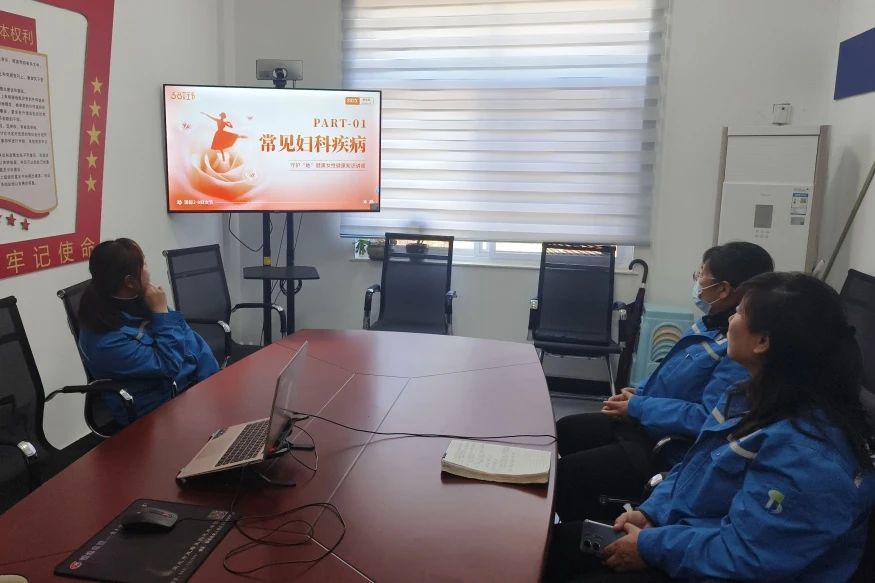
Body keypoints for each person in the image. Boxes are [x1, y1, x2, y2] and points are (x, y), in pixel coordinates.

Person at [548, 272, 875, 582]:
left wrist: (652, 547)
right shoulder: (748, 397)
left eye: (740, 312)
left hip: (723, 568)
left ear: (762, 341)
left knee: (560, 559)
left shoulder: (809, 457)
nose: (730, 319)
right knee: (561, 543)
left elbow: (749, 555)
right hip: (692, 541)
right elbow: (697, 464)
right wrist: (653, 513)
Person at [555, 242, 774, 522]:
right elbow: (670, 375)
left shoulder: (737, 352)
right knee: (568, 429)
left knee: (569, 473)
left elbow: (706, 418)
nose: (697, 279)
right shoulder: (707, 327)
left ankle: (587, 531)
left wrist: (639, 406)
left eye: (702, 273)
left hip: (666, 447)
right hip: (648, 423)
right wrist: (638, 393)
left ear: (723, 289)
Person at [77, 238, 219, 424]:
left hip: (190, 388)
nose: (148, 270)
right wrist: (161, 314)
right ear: (129, 282)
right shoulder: (104, 341)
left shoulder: (143, 299)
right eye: (143, 265)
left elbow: (191, 340)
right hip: (156, 410)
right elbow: (168, 365)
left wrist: (213, 381)